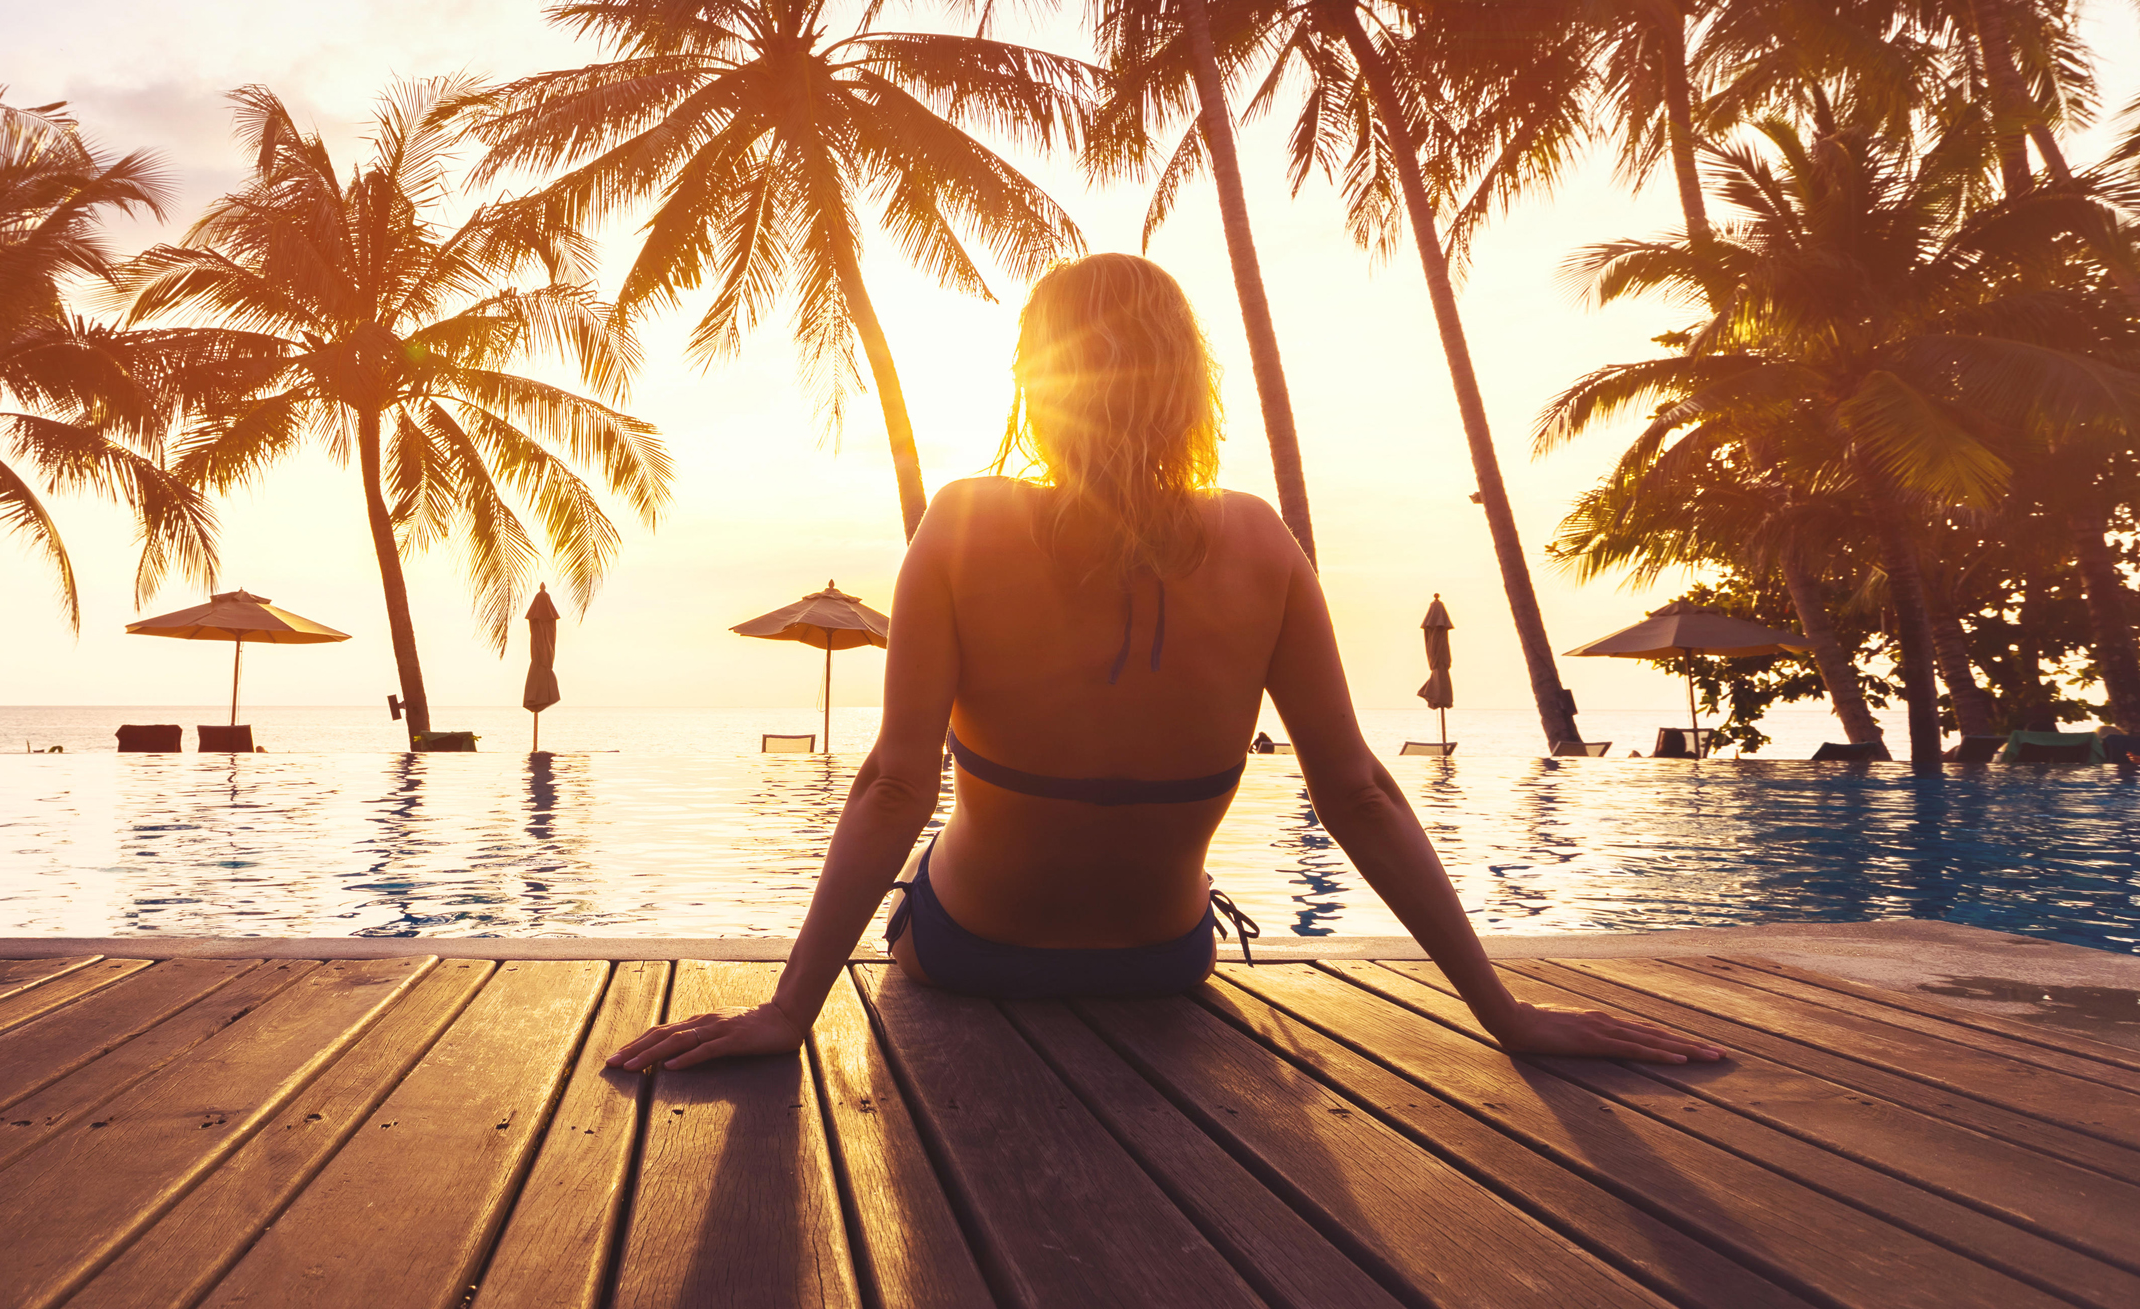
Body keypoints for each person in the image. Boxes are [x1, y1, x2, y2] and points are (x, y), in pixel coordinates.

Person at [610, 254, 1721, 1073]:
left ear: (1035, 384)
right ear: (1191, 385)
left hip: (975, 948)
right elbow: (1362, 792)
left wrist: (786, 1013)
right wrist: (1506, 1014)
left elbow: (896, 783)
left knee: (947, 838)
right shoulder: (1260, 539)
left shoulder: (961, 521)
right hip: (1164, 958)